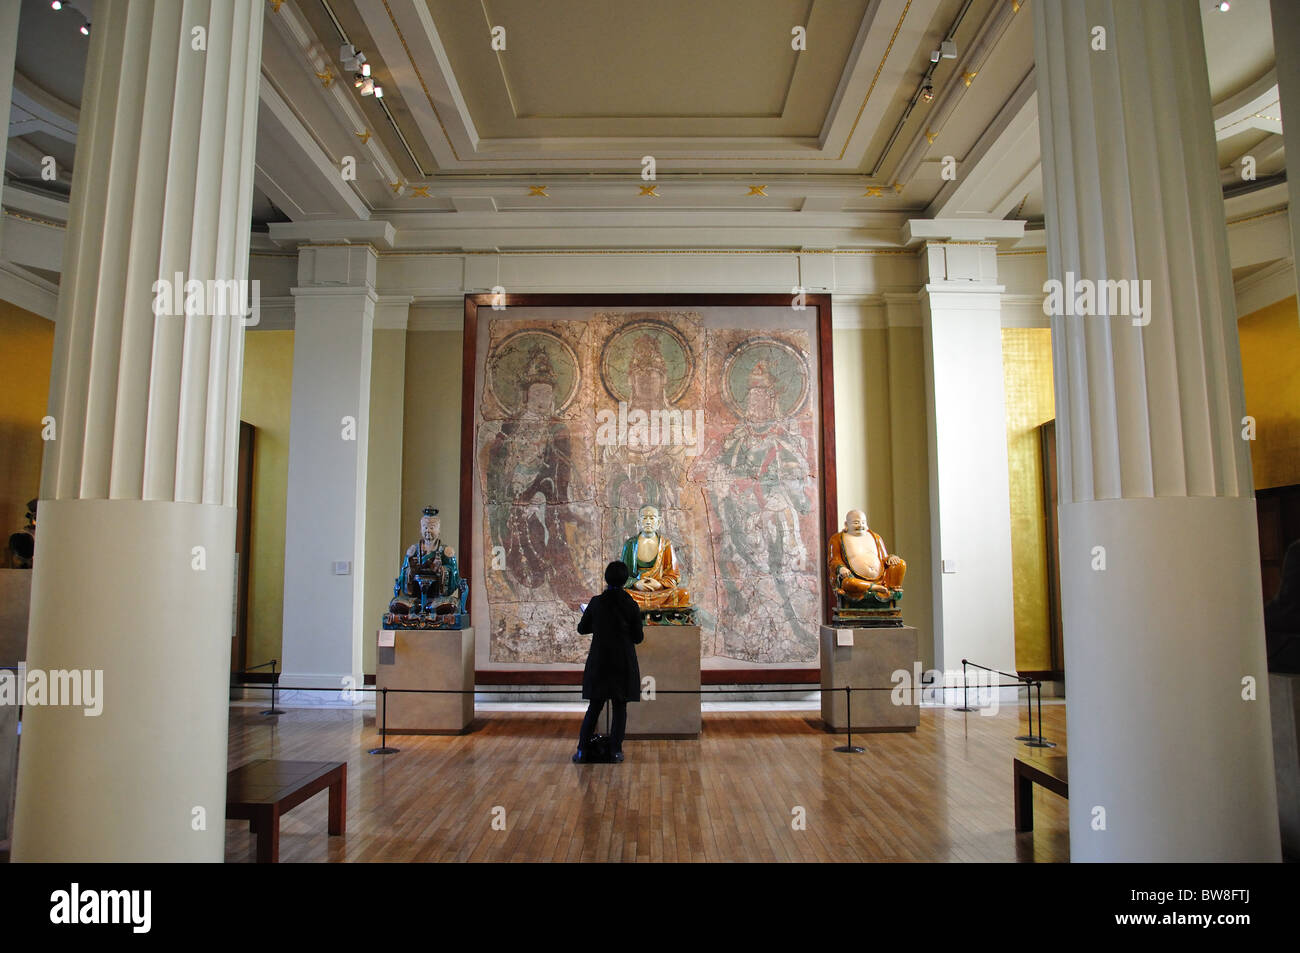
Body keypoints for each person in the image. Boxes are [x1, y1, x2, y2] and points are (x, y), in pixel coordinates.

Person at [574, 561, 645, 763]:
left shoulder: (596, 602)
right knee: (619, 707)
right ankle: (615, 750)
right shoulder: (630, 604)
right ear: (625, 580)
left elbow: (582, 628)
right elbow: (638, 637)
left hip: (600, 661)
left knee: (594, 707)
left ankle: (582, 750)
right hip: (622, 662)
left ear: (606, 579)